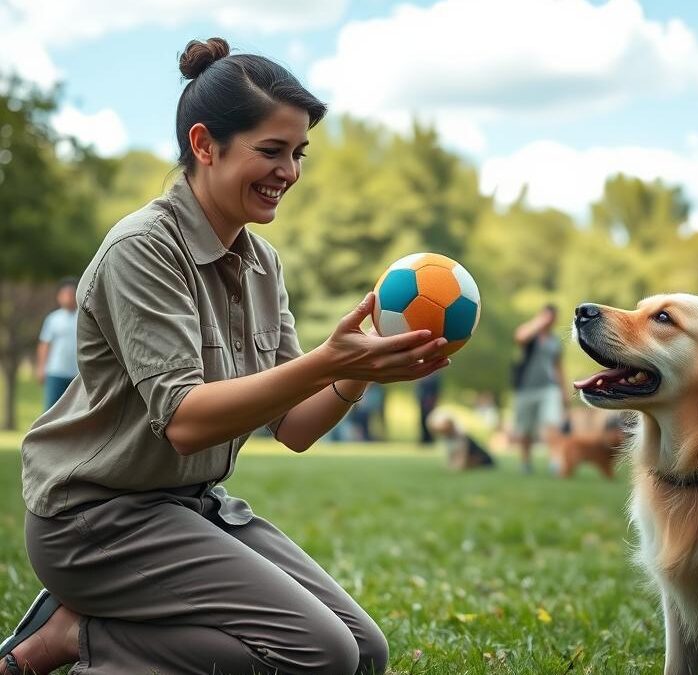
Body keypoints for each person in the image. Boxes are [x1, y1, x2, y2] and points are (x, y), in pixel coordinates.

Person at [0, 38, 449, 675]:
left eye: (297, 153)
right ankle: (76, 638)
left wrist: (355, 372)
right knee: (320, 656)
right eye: (271, 151)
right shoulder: (142, 249)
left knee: (364, 653)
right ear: (205, 145)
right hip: (94, 522)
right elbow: (185, 422)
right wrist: (327, 360)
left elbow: (292, 428)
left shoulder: (263, 264)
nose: (289, 171)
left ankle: (93, 632)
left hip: (189, 507)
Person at [511, 304, 567, 473]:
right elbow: (520, 338)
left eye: (551, 318)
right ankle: (526, 463)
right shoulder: (530, 333)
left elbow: (558, 367)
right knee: (525, 429)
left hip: (549, 388)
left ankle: (555, 462)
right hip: (526, 388)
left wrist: (564, 392)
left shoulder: (555, 341)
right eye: (546, 316)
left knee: (552, 423)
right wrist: (538, 322)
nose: (549, 320)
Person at [35, 278, 79, 410]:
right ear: (59, 296)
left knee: (74, 410)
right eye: (65, 294)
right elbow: (44, 344)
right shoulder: (53, 319)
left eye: (71, 294)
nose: (68, 297)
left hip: (78, 373)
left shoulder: (83, 318)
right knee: (51, 409)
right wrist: (41, 367)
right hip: (56, 372)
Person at [415, 371, 441, 444]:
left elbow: (436, 391)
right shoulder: (423, 378)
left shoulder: (435, 378)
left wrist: (433, 401)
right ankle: (424, 438)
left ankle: (429, 438)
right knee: (422, 420)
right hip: (422, 401)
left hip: (430, 402)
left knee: (429, 420)